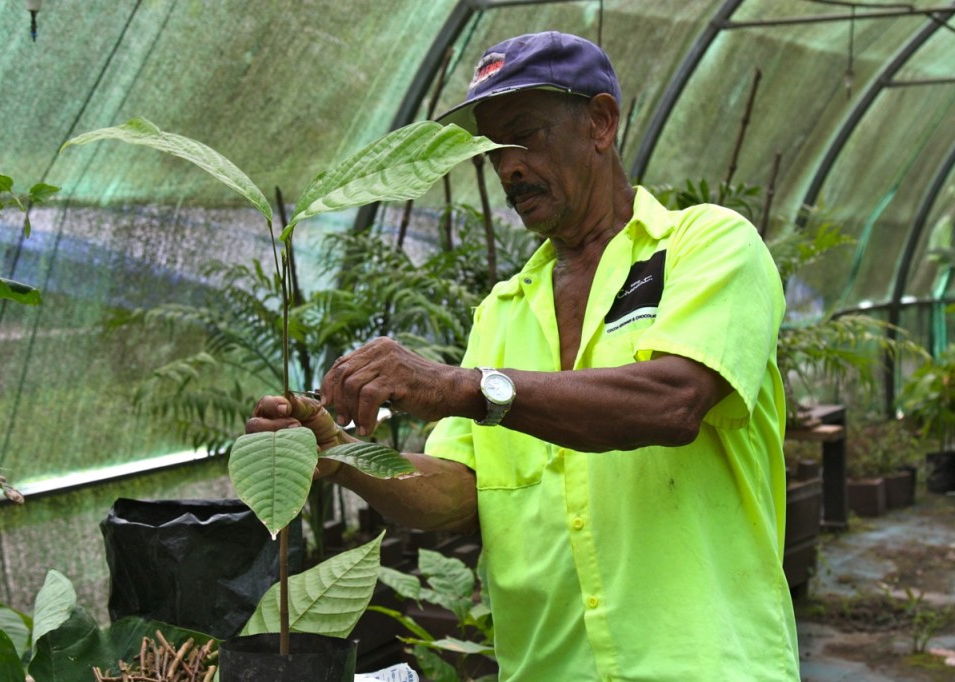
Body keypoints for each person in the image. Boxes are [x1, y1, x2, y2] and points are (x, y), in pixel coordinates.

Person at [248, 30, 801, 681]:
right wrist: (340, 456)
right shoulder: (504, 311)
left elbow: (674, 402)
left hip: (706, 663)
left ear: (600, 121)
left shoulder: (705, 245)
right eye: (492, 151)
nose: (508, 166)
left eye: (526, 135)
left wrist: (462, 388)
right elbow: (457, 494)